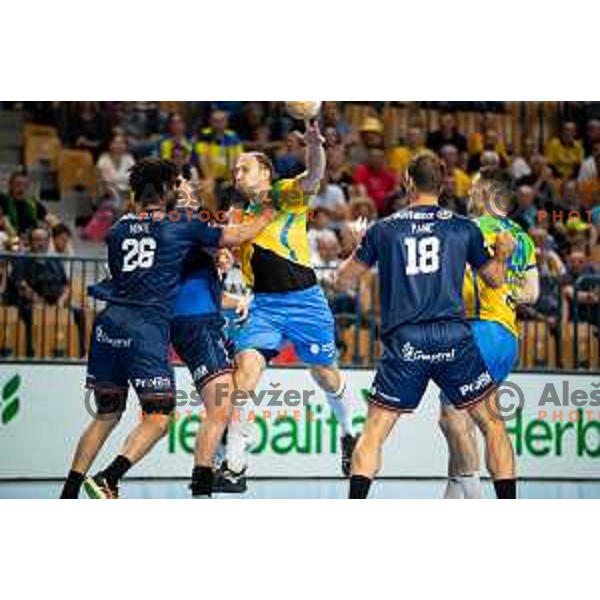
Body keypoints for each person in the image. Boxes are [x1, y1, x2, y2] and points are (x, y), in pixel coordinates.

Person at [59, 157, 273, 499]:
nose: (182, 187)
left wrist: (210, 258)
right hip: (146, 328)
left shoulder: (117, 230)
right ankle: (110, 478)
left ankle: (68, 494)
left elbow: (140, 269)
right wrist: (268, 211)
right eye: (178, 183)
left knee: (106, 413)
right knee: (159, 417)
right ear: (167, 189)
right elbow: (237, 234)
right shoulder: (183, 223)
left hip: (108, 324)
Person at [336, 152, 518, 500]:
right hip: (454, 338)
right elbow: (495, 280)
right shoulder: (464, 227)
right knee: (492, 425)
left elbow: (343, 281)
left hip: (406, 341)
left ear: (407, 181)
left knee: (374, 431)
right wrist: (503, 255)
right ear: (444, 183)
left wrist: (353, 245)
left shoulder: (383, 229)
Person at [216, 121, 363, 493]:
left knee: (324, 373)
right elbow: (223, 250)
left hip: (305, 302)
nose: (237, 174)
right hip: (263, 305)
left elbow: (314, 176)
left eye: (244, 167)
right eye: (235, 170)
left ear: (265, 172)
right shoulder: (237, 215)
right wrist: (219, 256)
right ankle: (234, 465)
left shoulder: (284, 194)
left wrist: (315, 146)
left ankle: (350, 433)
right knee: (245, 372)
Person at [438, 173, 539, 499]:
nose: (468, 192)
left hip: (476, 331)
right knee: (489, 421)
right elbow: (532, 293)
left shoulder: (469, 228)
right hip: (506, 337)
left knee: (453, 418)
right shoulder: (523, 237)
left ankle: (475, 499)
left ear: (487, 193)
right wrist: (507, 294)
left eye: (474, 188)